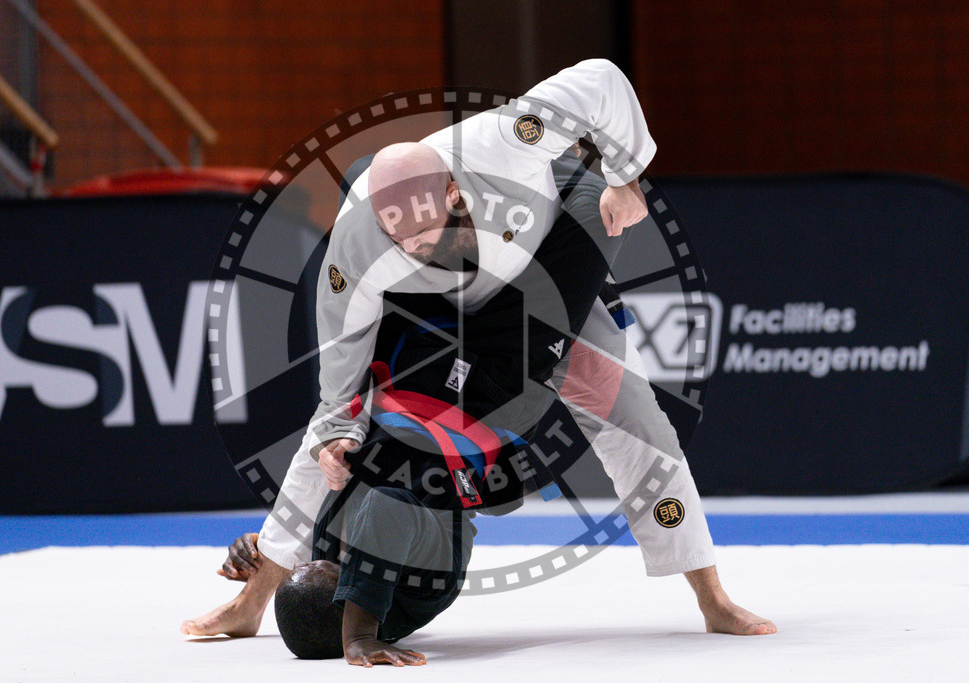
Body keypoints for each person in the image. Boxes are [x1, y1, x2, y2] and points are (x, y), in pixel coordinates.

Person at [181, 59, 776, 655]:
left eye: (427, 232)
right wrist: (338, 430)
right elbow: (340, 378)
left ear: (454, 192)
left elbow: (601, 80)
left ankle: (712, 599)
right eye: (403, 240)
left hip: (548, 271)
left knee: (638, 421)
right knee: (340, 426)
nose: (416, 246)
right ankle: (252, 600)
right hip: (435, 307)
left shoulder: (504, 141)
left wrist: (625, 176)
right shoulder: (358, 241)